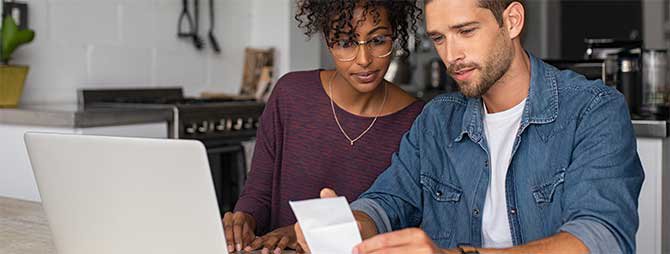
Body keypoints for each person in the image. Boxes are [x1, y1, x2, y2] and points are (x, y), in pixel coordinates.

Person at [296, 0, 645, 253]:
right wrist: (351, 224)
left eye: (465, 31)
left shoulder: (592, 109)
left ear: (512, 21)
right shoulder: (437, 120)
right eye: (439, 38)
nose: (451, 55)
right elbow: (388, 200)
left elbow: (601, 238)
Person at [222, 1, 423, 253]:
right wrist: (244, 219)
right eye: (346, 43)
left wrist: (306, 233)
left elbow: (400, 219)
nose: (364, 60)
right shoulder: (290, 94)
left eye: (378, 40)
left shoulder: (418, 120)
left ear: (396, 35)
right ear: (328, 42)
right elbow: (259, 191)